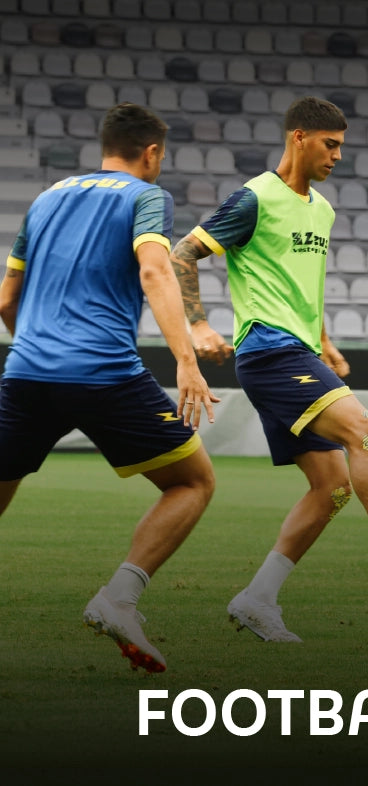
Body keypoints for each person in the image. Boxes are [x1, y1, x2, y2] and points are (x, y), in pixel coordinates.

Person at [171, 96, 368, 643]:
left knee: (331, 488)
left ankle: (257, 599)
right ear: (299, 138)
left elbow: (303, 288)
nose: (337, 156)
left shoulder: (324, 210)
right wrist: (196, 326)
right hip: (268, 352)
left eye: (341, 146)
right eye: (330, 144)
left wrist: (326, 342)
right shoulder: (255, 198)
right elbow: (181, 254)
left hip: (301, 353)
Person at [0, 103, 218, 672]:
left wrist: (37, 347)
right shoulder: (146, 197)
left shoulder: (46, 198)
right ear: (151, 153)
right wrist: (186, 361)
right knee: (192, 482)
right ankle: (118, 599)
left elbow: (5, 299)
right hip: (104, 374)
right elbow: (155, 270)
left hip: (25, 372)